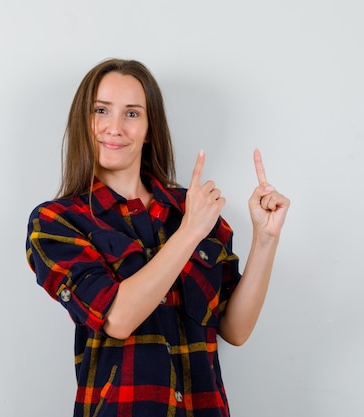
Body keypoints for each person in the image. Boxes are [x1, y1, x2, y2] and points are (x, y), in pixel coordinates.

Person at [25, 58, 289, 417]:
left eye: (132, 114)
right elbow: (117, 318)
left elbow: (235, 329)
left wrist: (265, 239)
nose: (114, 127)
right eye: (101, 110)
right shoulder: (56, 222)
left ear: (149, 128)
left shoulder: (192, 209)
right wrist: (190, 232)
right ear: (83, 121)